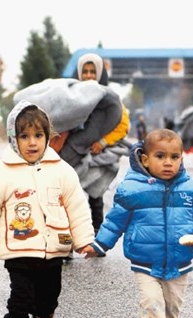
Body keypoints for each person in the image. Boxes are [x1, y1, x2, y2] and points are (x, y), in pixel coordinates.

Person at [0, 101, 95, 318]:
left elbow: (76, 206)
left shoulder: (61, 170)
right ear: (13, 139)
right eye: (24, 136)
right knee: (20, 295)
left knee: (51, 293)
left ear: (48, 137)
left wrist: (84, 240)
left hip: (54, 249)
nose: (32, 142)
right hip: (18, 249)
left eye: (38, 135)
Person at [80, 129, 193, 318]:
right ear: (145, 159)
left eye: (174, 157)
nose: (168, 163)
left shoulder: (190, 189)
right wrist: (100, 244)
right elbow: (115, 221)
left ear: (181, 159)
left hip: (180, 259)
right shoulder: (133, 190)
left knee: (173, 303)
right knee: (151, 299)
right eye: (161, 156)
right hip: (145, 259)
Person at [75, 53, 131, 233]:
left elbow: (123, 125)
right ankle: (70, 239)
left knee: (95, 195)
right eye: (85, 71)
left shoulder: (109, 98)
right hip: (76, 153)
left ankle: (98, 236)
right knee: (71, 197)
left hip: (99, 153)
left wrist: (103, 142)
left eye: (93, 71)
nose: (89, 75)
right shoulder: (73, 95)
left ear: (99, 73)